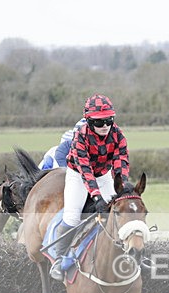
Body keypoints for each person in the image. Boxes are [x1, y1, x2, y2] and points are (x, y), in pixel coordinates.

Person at [49, 94, 130, 281]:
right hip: (78, 175)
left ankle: (130, 252)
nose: (105, 126)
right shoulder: (80, 137)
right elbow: (85, 170)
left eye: (109, 120)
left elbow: (121, 161)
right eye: (99, 122)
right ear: (89, 121)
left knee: (120, 211)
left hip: (103, 175)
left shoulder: (118, 134)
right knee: (72, 216)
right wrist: (96, 196)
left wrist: (122, 187)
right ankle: (59, 259)